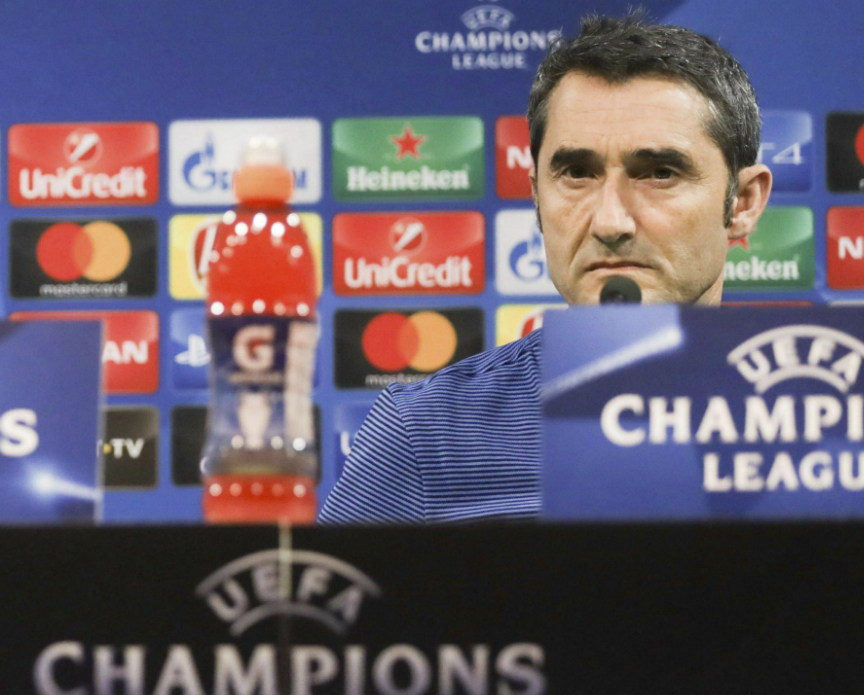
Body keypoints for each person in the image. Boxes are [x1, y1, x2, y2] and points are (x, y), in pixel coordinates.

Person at [318, 12, 772, 524]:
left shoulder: (843, 416)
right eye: (577, 173)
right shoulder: (426, 436)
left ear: (744, 203)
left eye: (660, 173)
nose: (611, 221)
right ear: (536, 195)